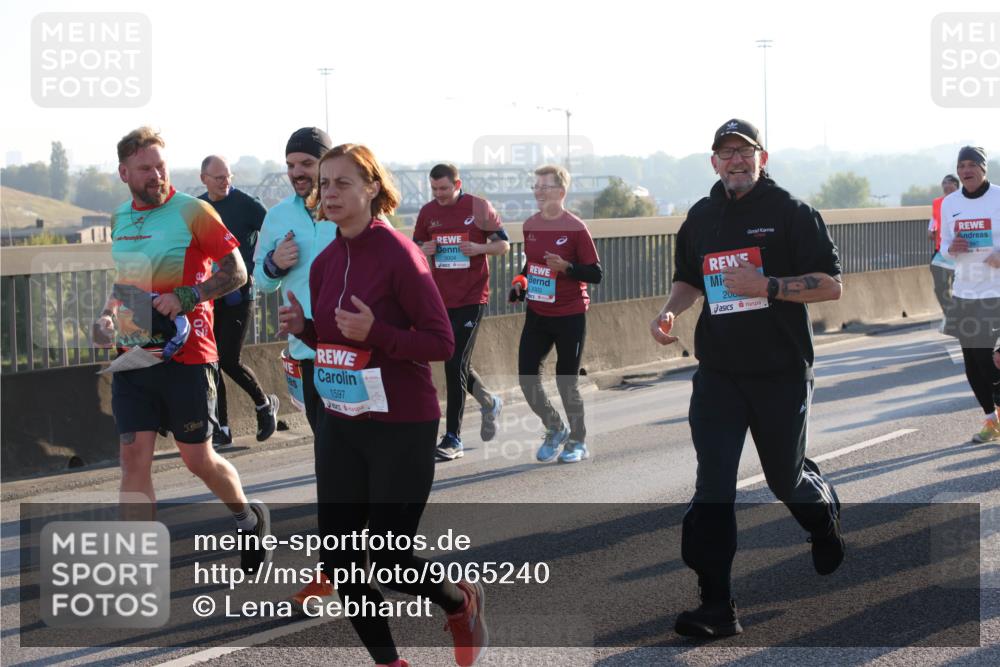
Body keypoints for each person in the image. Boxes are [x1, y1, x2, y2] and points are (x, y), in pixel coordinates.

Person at [278, 144, 486, 667]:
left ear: (371, 188)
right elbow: (338, 333)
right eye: (324, 183)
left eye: (343, 183)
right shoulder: (326, 261)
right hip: (342, 422)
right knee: (343, 559)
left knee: (390, 559)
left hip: (401, 423)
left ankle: (460, 602)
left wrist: (380, 333)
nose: (329, 193)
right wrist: (307, 329)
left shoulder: (399, 253)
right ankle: (390, 664)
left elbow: (440, 343)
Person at [649, 119, 845, 637]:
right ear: (713, 161)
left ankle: (821, 515)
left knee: (785, 477)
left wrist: (768, 284)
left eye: (744, 152)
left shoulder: (792, 213)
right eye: (725, 153)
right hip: (719, 373)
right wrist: (670, 312)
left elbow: (829, 287)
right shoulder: (702, 215)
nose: (735, 161)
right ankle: (717, 605)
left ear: (763, 157)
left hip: (780, 372)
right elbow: (690, 278)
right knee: (713, 486)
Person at [92, 126, 269, 572]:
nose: (156, 175)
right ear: (124, 172)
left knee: (198, 459)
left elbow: (237, 273)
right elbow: (126, 282)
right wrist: (109, 314)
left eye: (161, 166)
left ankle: (247, 518)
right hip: (134, 356)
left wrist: (186, 297)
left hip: (188, 354)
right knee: (132, 458)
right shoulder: (120, 218)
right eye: (145, 168)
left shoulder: (194, 210)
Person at [252, 127, 337, 610]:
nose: (297, 173)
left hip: (359, 354)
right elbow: (259, 282)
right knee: (330, 463)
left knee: (361, 463)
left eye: (306, 163)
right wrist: (275, 264)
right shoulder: (279, 216)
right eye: (291, 166)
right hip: (309, 357)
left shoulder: (350, 209)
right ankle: (333, 570)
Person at [413, 163, 508, 461]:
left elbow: (503, 244)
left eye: (444, 188)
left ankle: (452, 437)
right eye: (434, 189)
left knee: (454, 365)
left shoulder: (478, 207)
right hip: (440, 299)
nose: (439, 194)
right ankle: (490, 401)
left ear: (458, 184)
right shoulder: (428, 212)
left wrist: (479, 249)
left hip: (471, 297)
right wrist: (424, 249)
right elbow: (415, 246)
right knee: (459, 363)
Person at [509, 164, 602, 464]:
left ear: (560, 192)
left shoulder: (576, 228)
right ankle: (555, 427)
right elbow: (530, 266)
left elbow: (596, 273)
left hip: (570, 313)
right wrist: (519, 283)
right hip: (537, 312)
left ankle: (578, 440)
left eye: (544, 187)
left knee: (566, 381)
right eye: (535, 186)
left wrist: (568, 268)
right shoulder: (531, 225)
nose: (537, 191)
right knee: (526, 377)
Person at [198, 155, 279, 446]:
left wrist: (261, 264)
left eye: (228, 176)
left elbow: (275, 231)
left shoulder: (246, 204)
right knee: (211, 361)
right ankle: (222, 428)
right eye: (219, 177)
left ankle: (263, 404)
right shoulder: (199, 208)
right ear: (203, 178)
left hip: (239, 295)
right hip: (209, 296)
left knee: (229, 360)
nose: (225, 181)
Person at [940, 146, 1000, 442]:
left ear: (983, 168)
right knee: (972, 361)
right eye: (961, 165)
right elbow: (943, 245)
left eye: (972, 165)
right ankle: (991, 419)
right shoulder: (950, 203)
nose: (966, 170)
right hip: (964, 292)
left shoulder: (999, 197)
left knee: (992, 358)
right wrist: (951, 249)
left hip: (996, 291)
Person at [928, 174, 961, 334]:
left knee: (960, 287)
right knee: (940, 288)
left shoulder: (964, 201)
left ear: (957, 186)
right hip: (942, 251)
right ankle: (951, 317)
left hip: (962, 253)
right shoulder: (938, 203)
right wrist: (931, 229)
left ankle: (961, 317)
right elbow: (934, 220)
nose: (947, 186)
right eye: (944, 184)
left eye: (950, 184)